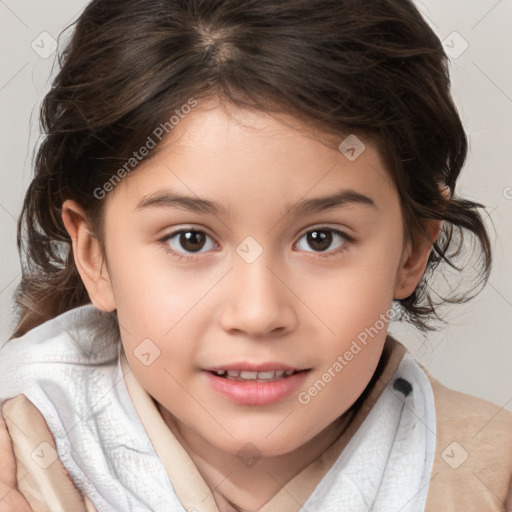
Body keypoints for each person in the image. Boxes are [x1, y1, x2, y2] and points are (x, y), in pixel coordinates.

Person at [0, 0, 511, 511]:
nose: (258, 313)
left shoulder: (490, 476)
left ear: (412, 249)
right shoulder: (22, 461)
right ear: (95, 256)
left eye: (321, 239)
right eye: (190, 240)